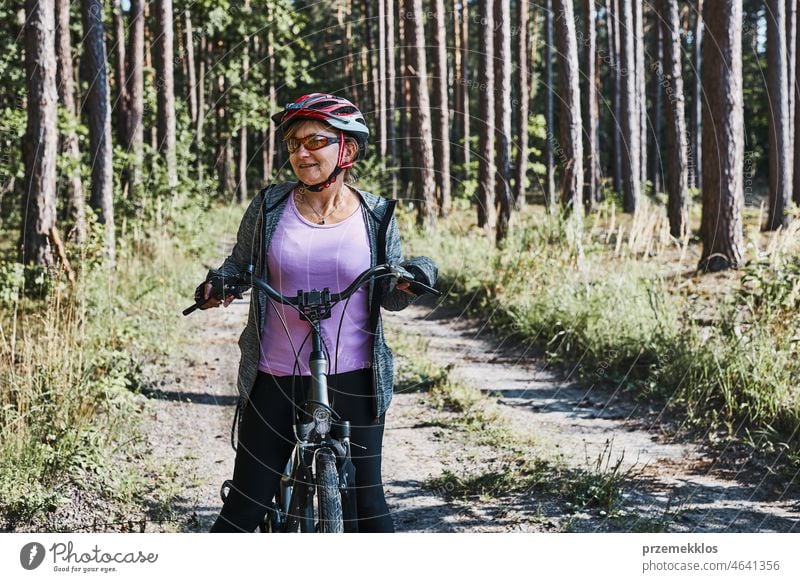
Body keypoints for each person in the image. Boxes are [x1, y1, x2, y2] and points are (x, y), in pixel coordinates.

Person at [195, 93, 437, 532]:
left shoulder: (376, 214)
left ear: (346, 149)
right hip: (275, 375)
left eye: (314, 141)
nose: (301, 153)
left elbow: (391, 286)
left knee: (370, 508)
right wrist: (221, 283)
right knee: (244, 508)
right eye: (293, 145)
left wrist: (411, 277)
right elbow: (239, 265)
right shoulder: (269, 207)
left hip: (355, 378)